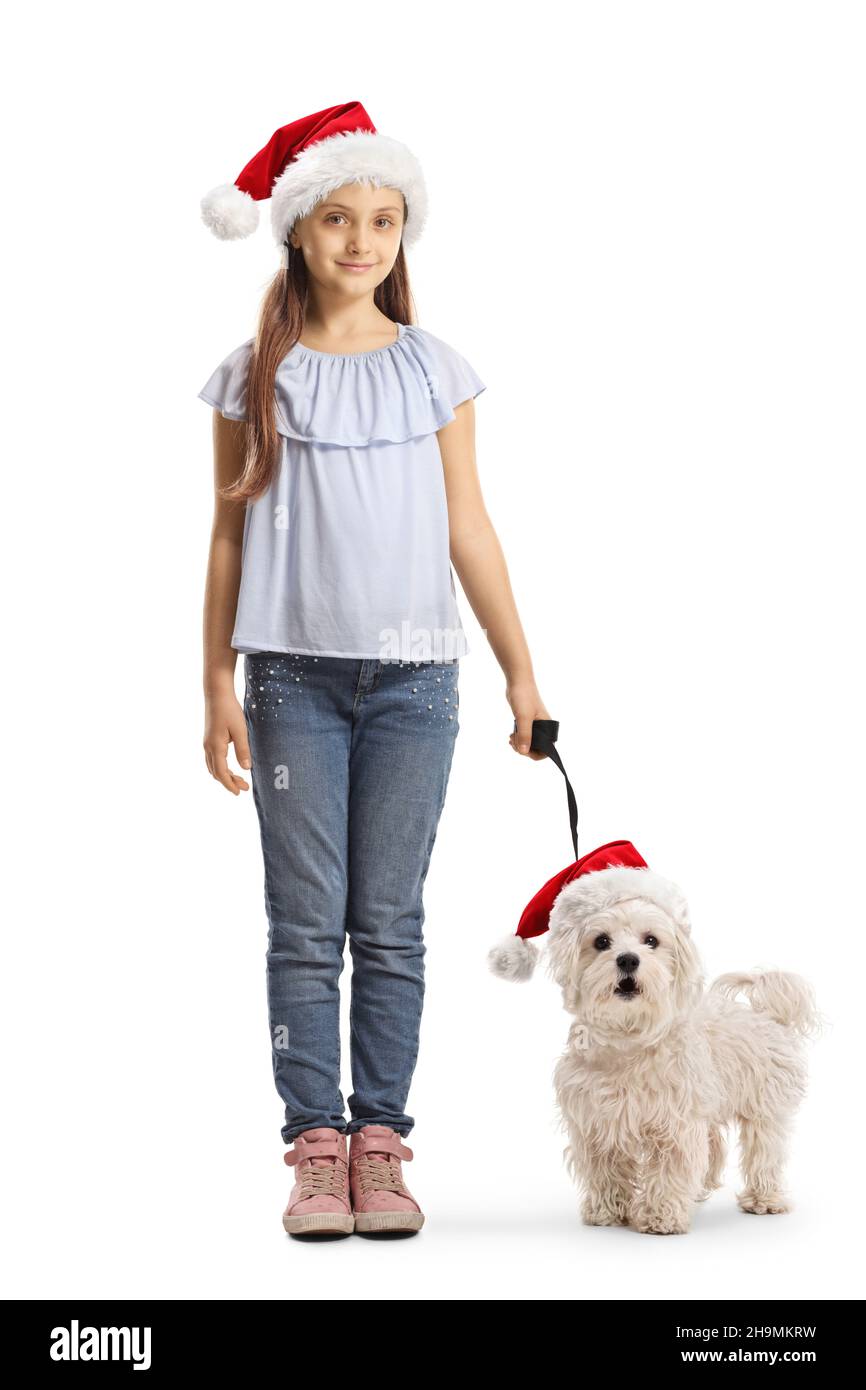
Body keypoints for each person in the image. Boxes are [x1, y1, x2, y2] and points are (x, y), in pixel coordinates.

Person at [198, 102, 551, 1237]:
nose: (362, 239)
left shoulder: (433, 371)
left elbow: (471, 529)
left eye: (383, 220)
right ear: (298, 230)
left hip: (414, 681)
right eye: (339, 217)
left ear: (404, 234)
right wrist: (215, 683)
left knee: (388, 920)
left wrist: (520, 675)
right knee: (305, 921)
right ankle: (314, 1147)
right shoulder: (257, 373)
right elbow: (227, 534)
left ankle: (382, 1143)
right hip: (293, 682)